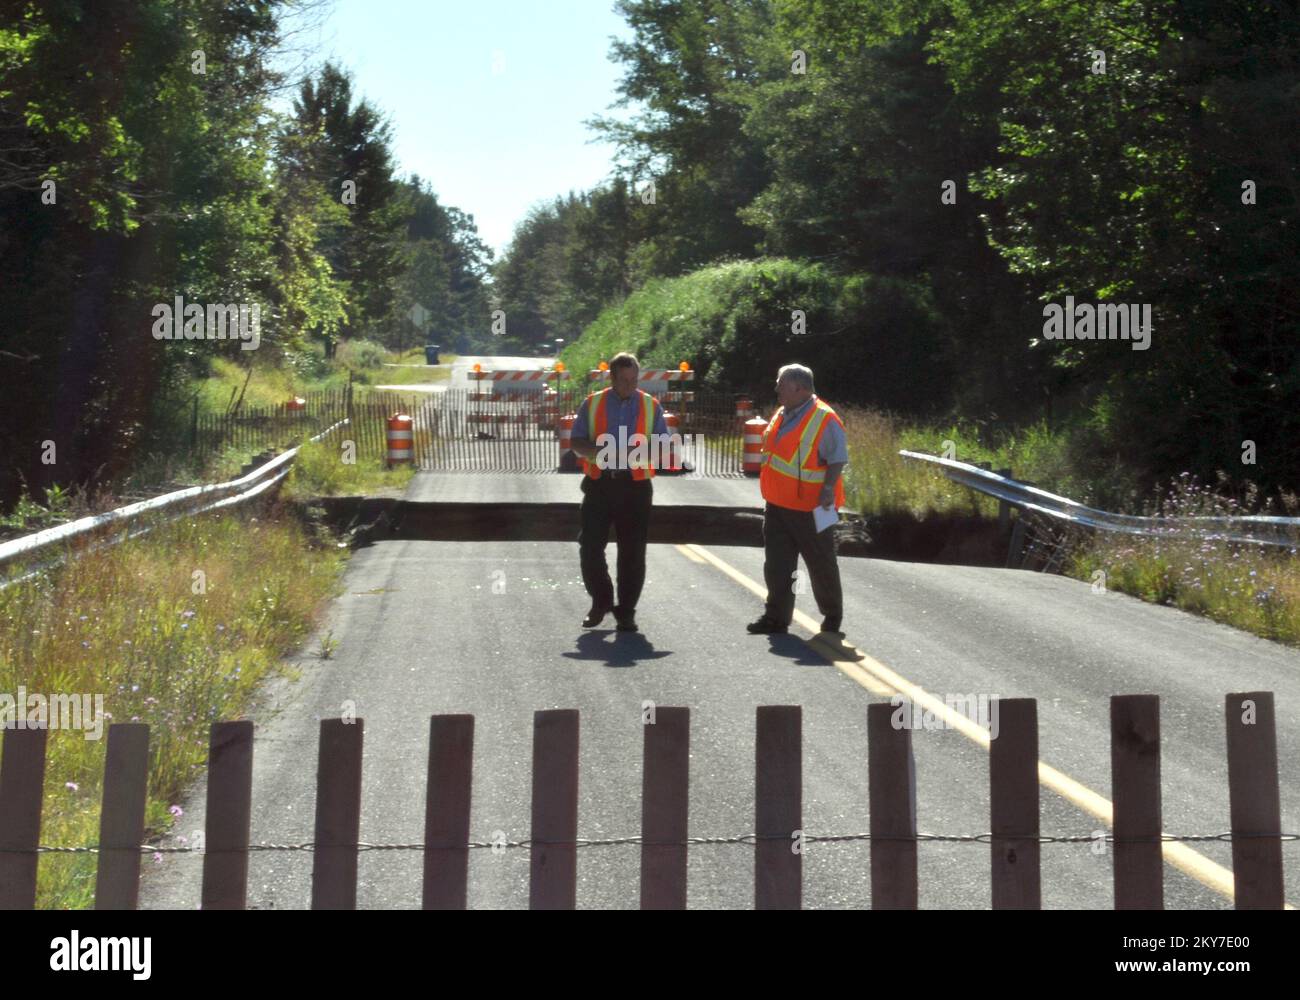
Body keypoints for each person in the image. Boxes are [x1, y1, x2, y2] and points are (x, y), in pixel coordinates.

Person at [569, 352, 670, 632]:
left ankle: (626, 612)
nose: (629, 385)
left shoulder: (651, 406)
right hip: (600, 484)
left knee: (632, 552)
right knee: (590, 547)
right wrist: (601, 452)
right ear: (611, 378)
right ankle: (601, 600)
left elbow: (663, 445)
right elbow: (576, 441)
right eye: (623, 380)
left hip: (635, 487)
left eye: (633, 380)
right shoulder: (593, 403)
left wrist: (637, 453)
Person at [747, 363, 848, 638]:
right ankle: (776, 618)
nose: (776, 388)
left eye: (781, 383)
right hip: (778, 505)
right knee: (778, 566)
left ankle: (832, 616)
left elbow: (838, 457)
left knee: (821, 564)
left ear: (799, 388)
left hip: (813, 507)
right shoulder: (783, 412)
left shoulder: (825, 418)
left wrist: (828, 488)